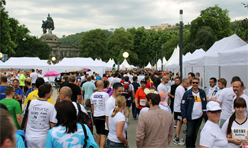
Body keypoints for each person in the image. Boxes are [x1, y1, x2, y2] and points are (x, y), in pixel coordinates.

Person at [25, 83, 55, 148]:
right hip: (43, 137)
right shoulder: (51, 106)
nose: (51, 93)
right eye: (50, 91)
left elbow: (26, 118)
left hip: (29, 135)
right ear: (46, 94)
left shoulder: (30, 103)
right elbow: (52, 125)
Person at [181, 77, 207, 148]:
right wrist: (184, 116)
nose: (195, 84)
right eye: (193, 82)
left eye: (196, 83)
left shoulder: (202, 92)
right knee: (189, 133)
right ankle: (188, 146)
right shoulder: (187, 93)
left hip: (199, 117)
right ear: (191, 83)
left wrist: (205, 116)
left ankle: (193, 146)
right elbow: (183, 105)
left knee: (195, 134)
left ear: (199, 83)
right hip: (190, 117)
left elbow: (205, 104)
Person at [91, 80, 109, 148]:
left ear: (96, 86)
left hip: (95, 115)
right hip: (103, 115)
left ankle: (99, 146)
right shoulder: (106, 95)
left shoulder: (92, 95)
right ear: (103, 85)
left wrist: (93, 116)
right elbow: (107, 106)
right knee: (103, 134)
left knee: (98, 132)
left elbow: (92, 107)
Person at [173, 78, 189, 145]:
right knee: (179, 124)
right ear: (184, 82)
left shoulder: (180, 88)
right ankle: (177, 138)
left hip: (178, 108)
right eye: (187, 83)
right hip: (179, 109)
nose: (188, 85)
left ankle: (176, 136)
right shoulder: (181, 89)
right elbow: (183, 99)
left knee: (179, 123)